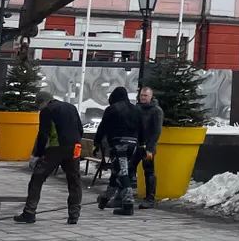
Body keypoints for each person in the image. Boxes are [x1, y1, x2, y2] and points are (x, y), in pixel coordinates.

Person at [15, 90, 84, 225]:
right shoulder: (71, 107)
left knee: (37, 178)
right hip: (74, 147)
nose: (38, 108)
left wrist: (38, 154)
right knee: (74, 180)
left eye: (38, 105)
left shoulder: (47, 111)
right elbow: (80, 129)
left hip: (56, 148)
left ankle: (29, 212)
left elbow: (43, 134)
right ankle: (74, 215)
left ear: (43, 102)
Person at [94, 86, 144, 215]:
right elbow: (142, 128)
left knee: (122, 172)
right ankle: (105, 198)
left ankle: (128, 203)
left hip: (118, 143)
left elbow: (103, 127)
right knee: (117, 171)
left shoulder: (112, 109)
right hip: (132, 144)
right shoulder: (136, 109)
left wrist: (96, 143)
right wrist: (142, 144)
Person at [133, 85, 164, 208]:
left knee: (149, 170)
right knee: (130, 168)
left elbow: (156, 131)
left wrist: (150, 148)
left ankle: (150, 198)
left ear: (151, 96)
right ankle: (124, 195)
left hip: (148, 147)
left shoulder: (156, 111)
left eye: (145, 95)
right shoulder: (137, 109)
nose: (143, 98)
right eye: (141, 95)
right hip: (137, 144)